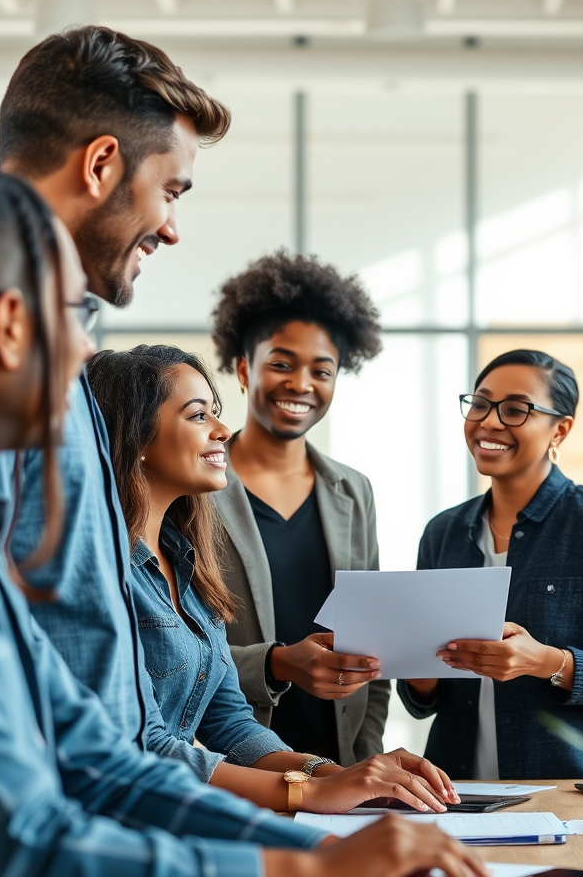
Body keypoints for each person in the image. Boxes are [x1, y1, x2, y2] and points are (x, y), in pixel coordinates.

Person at [0, 158, 488, 877]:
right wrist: (308, 866)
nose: (87, 351)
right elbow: (18, 844)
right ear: (11, 325)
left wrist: (321, 843)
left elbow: (103, 763)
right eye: (78, 313)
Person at [0, 25, 241, 780]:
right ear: (100, 164)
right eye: (170, 191)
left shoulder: (69, 361)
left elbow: (100, 728)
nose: (173, 229)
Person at [87, 343, 458, 813]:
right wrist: (315, 792)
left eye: (215, 413)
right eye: (199, 415)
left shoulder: (189, 565)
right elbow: (146, 745)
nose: (223, 430)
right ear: (134, 435)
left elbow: (231, 724)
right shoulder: (102, 571)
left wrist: (348, 775)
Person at [398, 349, 583, 780]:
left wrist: (546, 661)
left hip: (572, 794)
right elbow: (422, 698)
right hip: (457, 792)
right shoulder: (442, 532)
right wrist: (411, 661)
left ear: (560, 430)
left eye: (515, 410)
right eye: (481, 404)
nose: (489, 421)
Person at [210, 251, 388, 766]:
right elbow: (173, 648)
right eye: (281, 363)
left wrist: (364, 759)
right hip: (236, 764)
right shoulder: (195, 491)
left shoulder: (354, 491)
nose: (301, 384)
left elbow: (373, 639)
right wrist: (277, 665)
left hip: (342, 766)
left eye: (322, 370)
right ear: (244, 369)